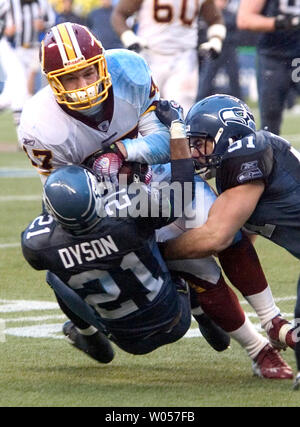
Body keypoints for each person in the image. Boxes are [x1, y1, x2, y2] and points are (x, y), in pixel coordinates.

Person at [19, 22, 293, 379]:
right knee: (199, 270)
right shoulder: (41, 125)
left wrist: (123, 151)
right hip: (110, 204)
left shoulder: (128, 70)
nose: (84, 85)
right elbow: (63, 195)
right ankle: (258, 349)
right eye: (70, 79)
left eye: (88, 72)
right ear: (52, 82)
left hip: (161, 174)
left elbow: (167, 143)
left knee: (224, 233)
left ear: (102, 64)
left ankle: (272, 318)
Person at [158, 93, 300, 388]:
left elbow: (215, 238)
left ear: (229, 134)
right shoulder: (239, 168)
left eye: (200, 142)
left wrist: (158, 252)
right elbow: (240, 239)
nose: (195, 153)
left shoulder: (247, 152)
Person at [21, 120, 194, 359]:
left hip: (127, 340)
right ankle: (207, 318)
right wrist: (177, 132)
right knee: (169, 238)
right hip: (176, 317)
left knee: (54, 276)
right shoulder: (128, 214)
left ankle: (90, 337)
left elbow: (50, 236)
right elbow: (183, 193)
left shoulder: (37, 244)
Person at [111, 0, 227, 115]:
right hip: (150, 55)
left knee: (180, 113)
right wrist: (129, 38)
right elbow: (119, 14)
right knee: (142, 112)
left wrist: (216, 39)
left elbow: (215, 18)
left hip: (183, 58)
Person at [237, 0, 300, 135]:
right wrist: (282, 23)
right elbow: (244, 19)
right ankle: (269, 155)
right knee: (270, 118)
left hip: (297, 56)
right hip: (273, 55)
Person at [1, 0, 56, 129]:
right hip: (11, 47)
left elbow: (53, 23)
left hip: (33, 49)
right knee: (20, 84)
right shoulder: (7, 3)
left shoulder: (43, 3)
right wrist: (4, 29)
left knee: (9, 95)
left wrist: (43, 25)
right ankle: (22, 132)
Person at [196, 0, 242, 101]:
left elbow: (237, 24)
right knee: (206, 78)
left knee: (234, 78)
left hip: (229, 47)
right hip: (215, 49)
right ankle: (199, 101)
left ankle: (239, 102)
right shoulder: (210, 13)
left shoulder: (232, 10)